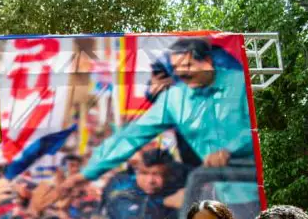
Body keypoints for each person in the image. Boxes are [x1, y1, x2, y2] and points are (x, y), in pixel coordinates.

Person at [82, 38, 255, 180]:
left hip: (246, 168)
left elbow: (255, 126)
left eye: (188, 66)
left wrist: (231, 150)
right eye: (178, 70)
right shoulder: (170, 77)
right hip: (197, 153)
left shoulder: (233, 74)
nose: (182, 74)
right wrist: (156, 91)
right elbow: (153, 95)